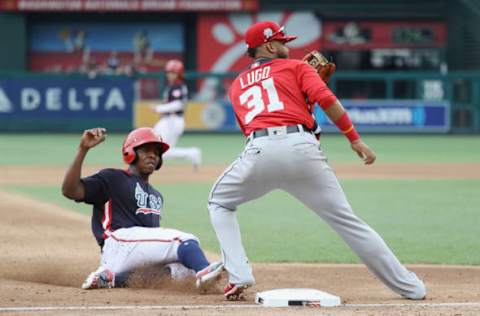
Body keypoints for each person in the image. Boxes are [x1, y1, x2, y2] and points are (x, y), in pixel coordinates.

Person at [207, 21, 427, 301]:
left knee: (220, 202)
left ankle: (239, 273)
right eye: (283, 41)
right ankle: (411, 288)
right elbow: (327, 99)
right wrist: (354, 138)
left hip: (259, 149)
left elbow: (251, 127)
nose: (289, 46)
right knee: (349, 222)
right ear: (270, 46)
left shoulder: (237, 85)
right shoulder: (298, 67)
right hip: (302, 147)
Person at [62, 127, 223, 289]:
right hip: (117, 243)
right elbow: (71, 191)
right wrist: (83, 149)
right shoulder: (113, 178)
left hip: (132, 255)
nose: (153, 155)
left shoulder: (156, 196)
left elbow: (150, 238)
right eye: (146, 150)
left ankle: (111, 279)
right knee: (184, 240)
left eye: (156, 152)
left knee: (184, 269)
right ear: (130, 152)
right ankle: (204, 270)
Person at [151, 59, 202, 170]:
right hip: (166, 120)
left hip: (173, 120)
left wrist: (159, 108)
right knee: (153, 142)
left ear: (179, 74)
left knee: (163, 152)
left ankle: (192, 153)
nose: (170, 75)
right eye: (169, 72)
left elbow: (178, 104)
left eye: (173, 72)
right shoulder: (172, 85)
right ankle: (192, 154)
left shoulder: (178, 86)